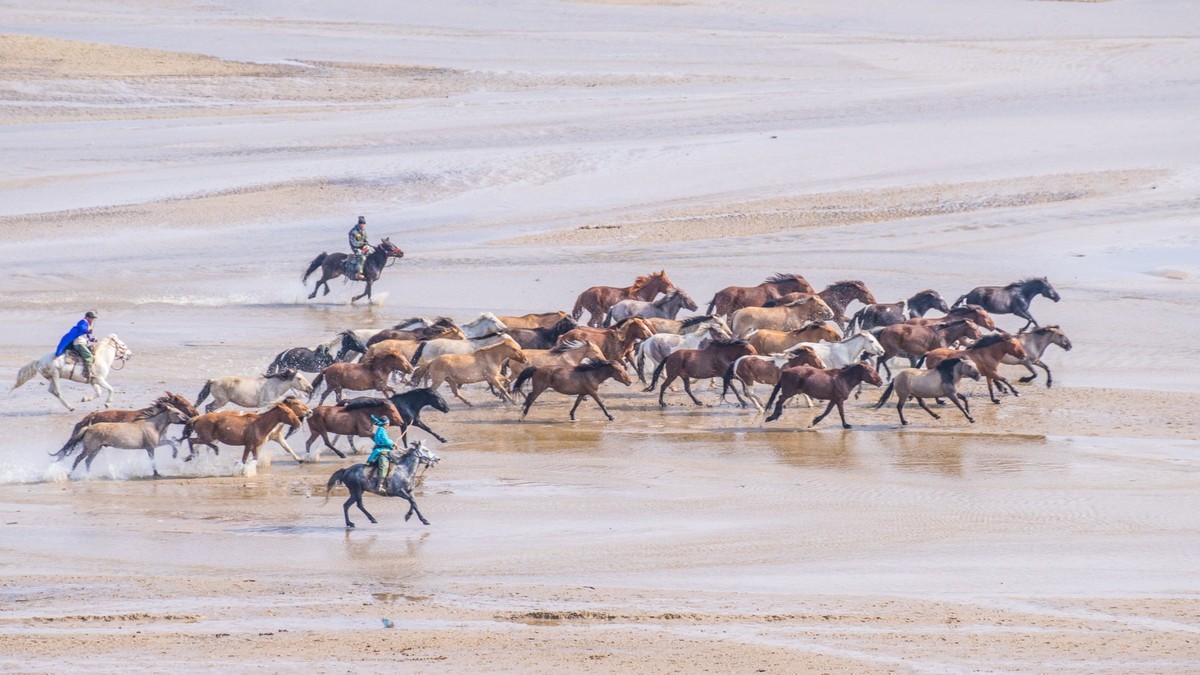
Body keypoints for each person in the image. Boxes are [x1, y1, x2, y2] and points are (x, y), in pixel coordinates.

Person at [56, 310, 98, 382]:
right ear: (88, 318)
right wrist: (88, 330)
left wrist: (93, 339)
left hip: (82, 342)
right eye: (92, 318)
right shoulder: (82, 322)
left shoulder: (87, 324)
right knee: (89, 356)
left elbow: (87, 336)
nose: (92, 320)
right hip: (79, 343)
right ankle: (89, 373)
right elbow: (82, 329)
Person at [366, 414, 397, 495]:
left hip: (385, 449)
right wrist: (393, 443)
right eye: (388, 424)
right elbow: (385, 441)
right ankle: (379, 485)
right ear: (385, 424)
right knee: (384, 466)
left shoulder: (382, 429)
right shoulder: (381, 430)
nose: (388, 425)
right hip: (381, 451)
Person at [348, 216, 369, 281]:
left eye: (364, 224)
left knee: (369, 252)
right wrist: (362, 244)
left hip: (363, 247)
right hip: (356, 248)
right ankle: (358, 273)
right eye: (362, 224)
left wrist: (366, 244)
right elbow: (353, 243)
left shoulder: (363, 230)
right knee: (362, 257)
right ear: (359, 224)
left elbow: (365, 239)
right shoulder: (353, 231)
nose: (363, 225)